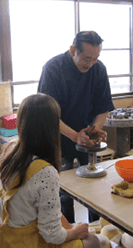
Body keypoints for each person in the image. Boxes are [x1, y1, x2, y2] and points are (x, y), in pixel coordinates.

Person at [0, 94, 101, 248]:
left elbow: (46, 208)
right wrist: (74, 232)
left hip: (3, 240)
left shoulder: (10, 151)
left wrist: (69, 226)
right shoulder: (44, 172)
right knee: (94, 242)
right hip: (23, 244)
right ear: (51, 128)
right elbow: (53, 235)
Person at [38, 31, 115, 224]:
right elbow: (48, 114)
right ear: (73, 50)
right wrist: (74, 135)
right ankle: (68, 233)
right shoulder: (53, 68)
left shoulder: (98, 69)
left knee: (93, 184)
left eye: (95, 58)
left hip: (85, 136)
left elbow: (103, 106)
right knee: (63, 190)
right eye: (87, 58)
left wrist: (96, 127)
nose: (90, 64)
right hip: (57, 137)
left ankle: (97, 230)